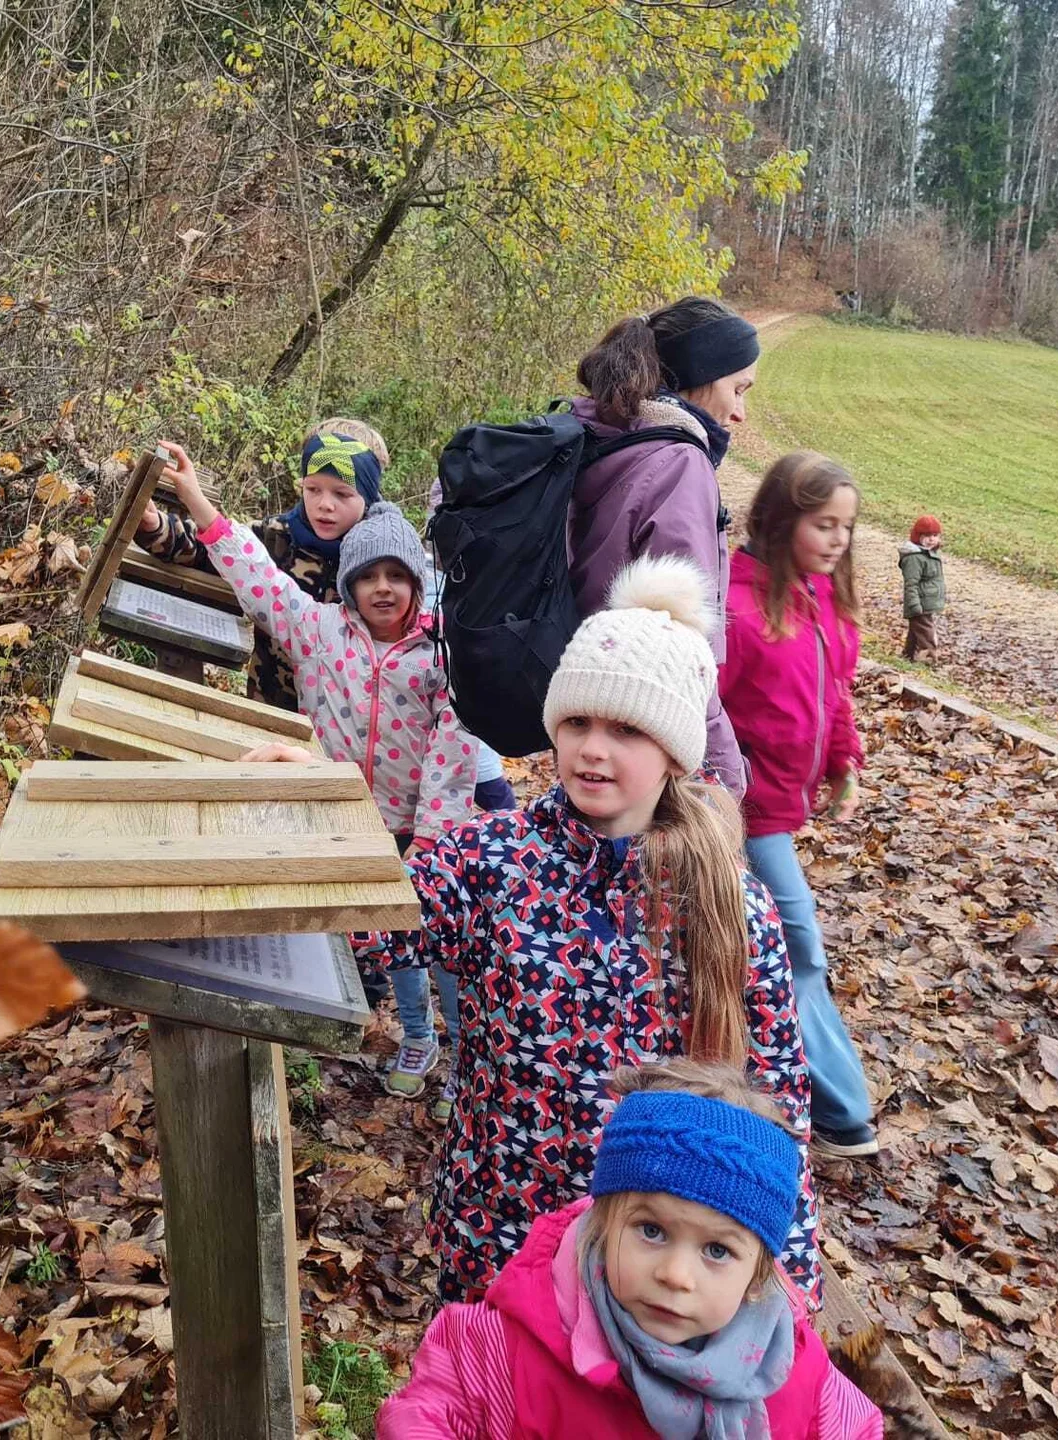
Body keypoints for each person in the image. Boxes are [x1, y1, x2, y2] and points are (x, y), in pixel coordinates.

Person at [349, 555, 819, 1305]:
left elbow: (777, 1103)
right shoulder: (489, 860)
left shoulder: (731, 907)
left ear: (673, 754)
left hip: (649, 1265)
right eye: (577, 722)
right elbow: (372, 927)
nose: (593, 749)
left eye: (626, 729)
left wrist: (789, 1293)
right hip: (497, 1233)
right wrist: (310, 808)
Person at [159, 441, 474, 1099]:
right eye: (368, 576)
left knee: (441, 936)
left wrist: (433, 850)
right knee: (398, 943)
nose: (382, 588)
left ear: (416, 580)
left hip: (428, 830)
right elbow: (255, 575)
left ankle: (470, 1057)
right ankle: (418, 1038)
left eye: (397, 575)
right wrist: (193, 496)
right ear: (349, 584)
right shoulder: (319, 631)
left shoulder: (443, 652)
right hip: (355, 818)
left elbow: (452, 753)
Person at [378, 1060, 880, 1439]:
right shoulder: (506, 1349)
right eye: (652, 1231)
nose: (676, 1274)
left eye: (718, 1251)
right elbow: (430, 1415)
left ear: (757, 1275)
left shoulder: (793, 1377)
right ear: (602, 1222)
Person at [720, 454, 878, 1160]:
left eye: (847, 525)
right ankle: (839, 1108)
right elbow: (704, 713)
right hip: (744, 812)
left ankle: (750, 1065)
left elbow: (835, 694)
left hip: (784, 805)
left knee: (751, 944)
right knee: (796, 945)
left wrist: (844, 763)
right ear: (781, 520)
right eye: (824, 523)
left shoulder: (824, 600)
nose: (838, 538)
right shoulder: (740, 607)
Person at [568, 297, 762, 796]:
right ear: (698, 376)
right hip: (647, 732)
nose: (740, 413)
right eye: (738, 390)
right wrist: (725, 778)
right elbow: (680, 646)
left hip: (584, 718)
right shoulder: (677, 464)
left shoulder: (594, 436)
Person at [135, 419, 389, 714]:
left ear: (368, 496)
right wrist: (155, 527)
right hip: (268, 707)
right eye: (313, 489)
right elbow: (211, 548)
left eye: (342, 494)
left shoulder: (381, 561)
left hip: (345, 724)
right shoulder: (277, 536)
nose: (325, 504)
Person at [898, 515, 945, 662]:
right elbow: (911, 584)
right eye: (927, 536)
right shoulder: (914, 558)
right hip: (919, 603)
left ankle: (908, 657)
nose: (931, 539)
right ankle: (930, 660)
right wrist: (914, 605)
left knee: (915, 631)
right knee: (927, 634)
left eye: (935, 536)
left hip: (926, 602)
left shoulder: (928, 554)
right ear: (918, 536)